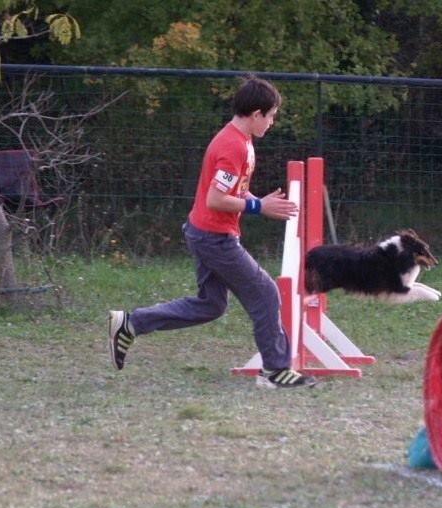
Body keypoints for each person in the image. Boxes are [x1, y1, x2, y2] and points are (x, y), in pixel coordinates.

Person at [107, 77, 317, 389]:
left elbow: (233, 192)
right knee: (266, 293)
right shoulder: (233, 146)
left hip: (204, 232)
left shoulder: (240, 141)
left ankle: (131, 323)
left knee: (211, 305)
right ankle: (275, 371)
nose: (272, 123)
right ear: (256, 113)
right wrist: (260, 209)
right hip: (214, 237)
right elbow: (215, 199)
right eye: (271, 116)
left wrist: (259, 202)